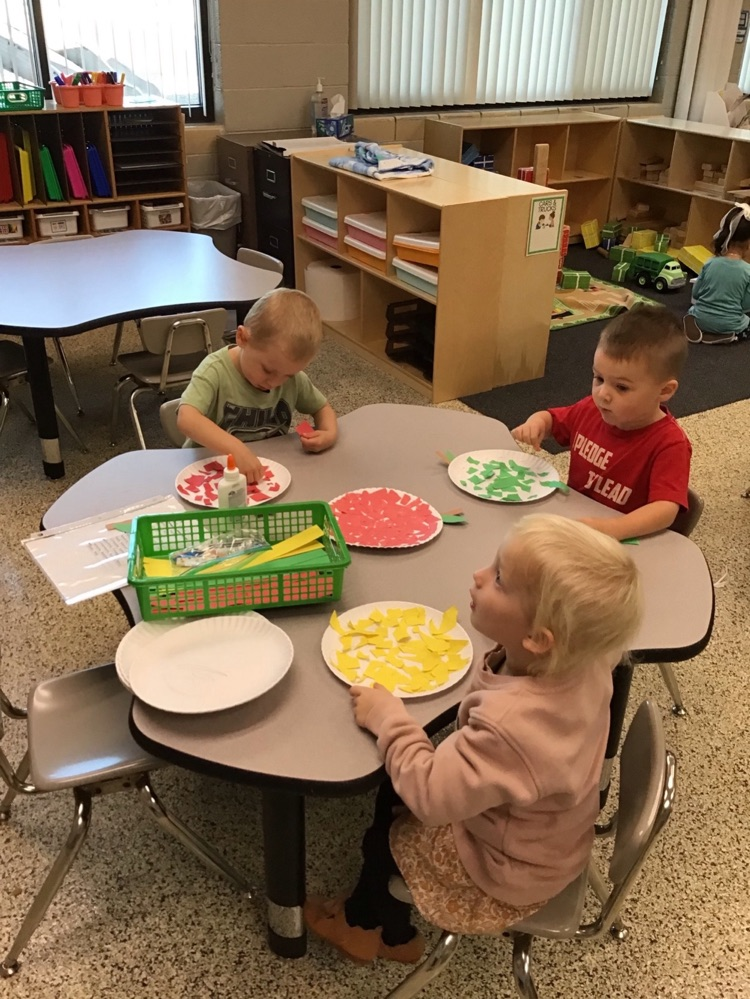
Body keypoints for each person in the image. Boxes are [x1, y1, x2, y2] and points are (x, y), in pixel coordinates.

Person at [304, 514, 643, 965]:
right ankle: (385, 923)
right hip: (549, 839)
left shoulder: (512, 725)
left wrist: (390, 720)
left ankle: (368, 927)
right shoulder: (589, 658)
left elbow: (428, 797)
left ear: (539, 638)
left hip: (503, 869)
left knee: (385, 826)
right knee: (395, 782)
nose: (478, 576)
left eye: (499, 579)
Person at [511, 304, 691, 540]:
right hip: (575, 524)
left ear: (665, 390)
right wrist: (537, 423)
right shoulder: (591, 409)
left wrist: (612, 529)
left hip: (622, 541)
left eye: (621, 387)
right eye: (599, 378)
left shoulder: (670, 444)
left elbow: (665, 509)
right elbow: (553, 420)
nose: (603, 394)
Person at [177, 288, 337, 482]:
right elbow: (186, 418)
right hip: (208, 473)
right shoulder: (214, 370)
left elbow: (322, 407)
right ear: (242, 338)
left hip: (263, 473)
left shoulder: (291, 377)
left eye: (287, 375)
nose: (275, 382)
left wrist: (328, 433)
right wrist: (235, 449)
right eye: (268, 370)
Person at [687, 202, 750, 340]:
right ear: (747, 243)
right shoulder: (747, 271)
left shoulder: (710, 263)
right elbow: (746, 305)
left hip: (701, 318)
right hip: (731, 323)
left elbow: (696, 293)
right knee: (745, 320)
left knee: (693, 311)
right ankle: (730, 335)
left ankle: (697, 325)